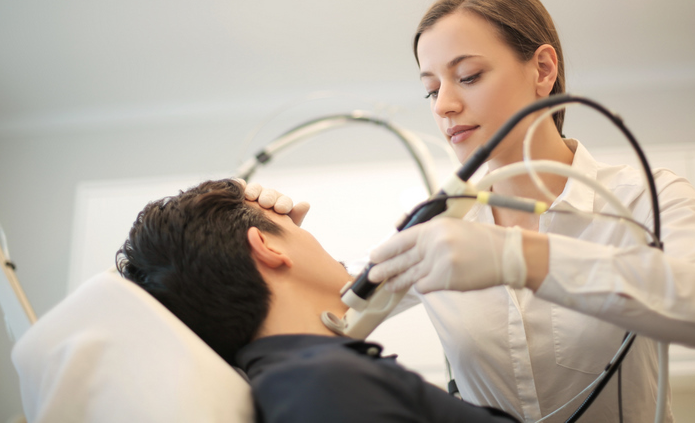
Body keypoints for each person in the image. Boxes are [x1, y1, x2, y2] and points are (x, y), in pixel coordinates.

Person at [252, 0, 695, 422]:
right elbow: (331, 312)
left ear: (542, 68)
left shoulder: (643, 197)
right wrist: (280, 239)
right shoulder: (437, 227)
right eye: (431, 91)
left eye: (467, 76)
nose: (445, 105)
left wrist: (516, 258)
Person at [115, 178, 519, 423]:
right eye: (291, 230)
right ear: (265, 248)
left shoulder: (294, 380)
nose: (318, 241)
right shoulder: (322, 384)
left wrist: (287, 247)